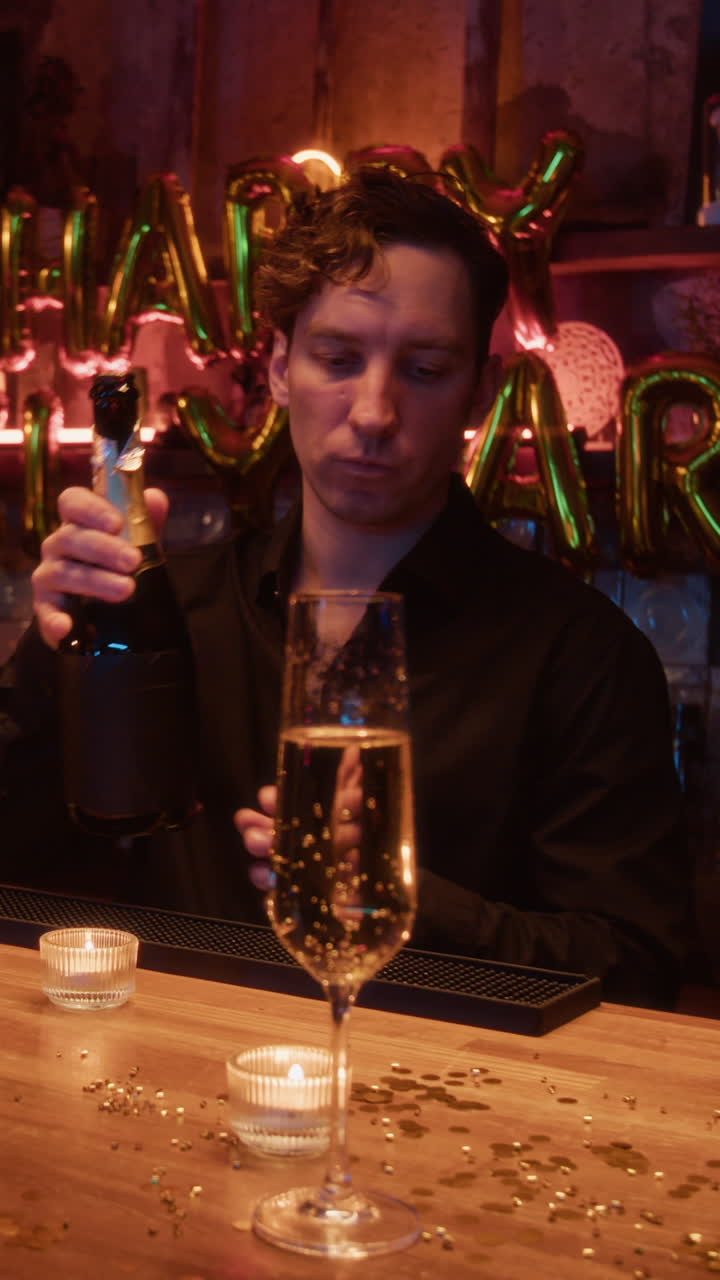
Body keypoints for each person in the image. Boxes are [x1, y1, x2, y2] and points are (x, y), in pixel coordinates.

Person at [4, 168, 688, 1007]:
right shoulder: (165, 609)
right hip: (166, 1096)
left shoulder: (581, 655)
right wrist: (53, 663)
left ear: (478, 387)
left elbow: (639, 970)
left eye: (426, 369)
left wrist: (404, 904)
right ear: (283, 367)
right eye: (338, 358)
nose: (373, 411)